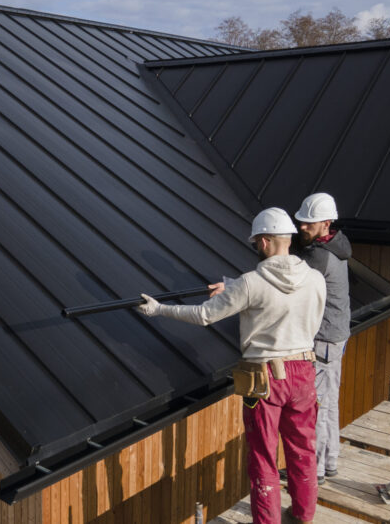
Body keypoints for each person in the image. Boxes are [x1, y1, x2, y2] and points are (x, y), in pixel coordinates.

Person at [136, 208, 326, 524]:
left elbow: (204, 315)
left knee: (264, 456)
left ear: (264, 241)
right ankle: (304, 515)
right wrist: (233, 288)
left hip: (266, 378)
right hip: (304, 372)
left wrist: (159, 309)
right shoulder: (316, 278)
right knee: (303, 449)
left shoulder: (250, 284)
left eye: (256, 243)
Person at [294, 192, 351, 486]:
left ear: (326, 223)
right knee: (329, 402)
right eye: (301, 221)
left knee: (316, 406)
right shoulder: (337, 246)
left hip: (325, 339)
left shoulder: (318, 256)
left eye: (309, 223)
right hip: (336, 336)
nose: (301, 226)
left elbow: (289, 280)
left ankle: (314, 472)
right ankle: (329, 463)